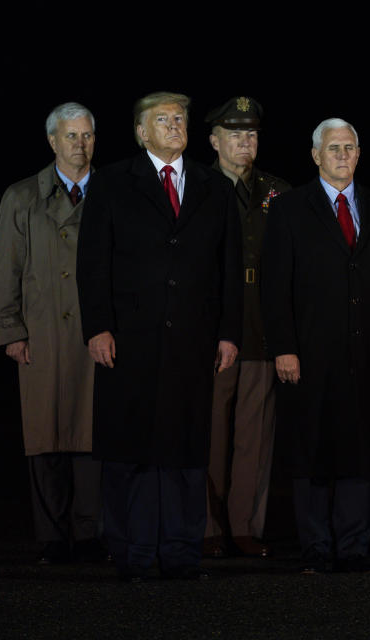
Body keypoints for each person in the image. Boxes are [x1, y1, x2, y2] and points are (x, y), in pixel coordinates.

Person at [76, 92, 242, 581]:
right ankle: (133, 550)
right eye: (163, 119)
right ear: (140, 132)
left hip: (193, 340)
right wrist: (98, 326)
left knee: (186, 449)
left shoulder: (215, 187)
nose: (174, 125)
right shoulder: (110, 183)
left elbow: (229, 268)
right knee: (131, 449)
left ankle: (181, 550)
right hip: (129, 340)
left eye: (180, 118)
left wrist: (229, 333)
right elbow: (92, 264)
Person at [262, 118, 370, 574]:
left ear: (359, 154)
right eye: (333, 148)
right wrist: (284, 347)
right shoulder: (289, 209)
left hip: (366, 355)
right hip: (309, 353)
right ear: (315, 155)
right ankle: (316, 549)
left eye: (349, 148)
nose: (342, 156)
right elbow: (274, 286)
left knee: (360, 451)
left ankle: (352, 548)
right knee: (311, 451)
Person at [0, 102, 102, 564]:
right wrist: (11, 329)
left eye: (87, 136)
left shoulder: (112, 192)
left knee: (92, 434)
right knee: (45, 435)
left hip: (95, 333)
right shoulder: (22, 197)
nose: (80, 145)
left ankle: (92, 533)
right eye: (71, 136)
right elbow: (5, 268)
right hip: (41, 333)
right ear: (53, 141)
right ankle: (53, 537)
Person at [201, 96, 291, 559]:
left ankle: (243, 526)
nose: (245, 142)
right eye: (235, 134)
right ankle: (208, 526)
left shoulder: (279, 191)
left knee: (254, 434)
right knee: (210, 431)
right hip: (213, 328)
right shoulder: (197, 188)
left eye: (252, 134)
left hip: (262, 326)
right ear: (214, 140)